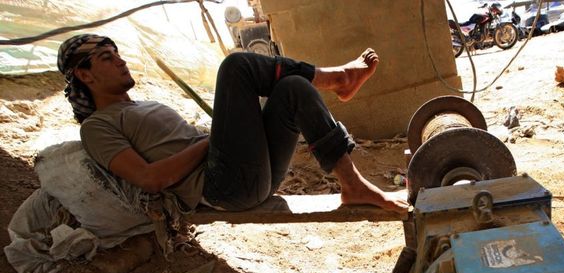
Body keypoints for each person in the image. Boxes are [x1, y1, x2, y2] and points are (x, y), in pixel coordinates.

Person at [56, 34, 408, 215]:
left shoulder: (143, 106)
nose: (120, 61)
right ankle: (339, 77)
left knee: (293, 89)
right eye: (107, 57)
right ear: (84, 74)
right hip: (221, 188)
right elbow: (151, 179)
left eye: (117, 53)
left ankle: (353, 184)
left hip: (249, 175)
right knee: (235, 67)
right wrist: (211, 142)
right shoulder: (97, 127)